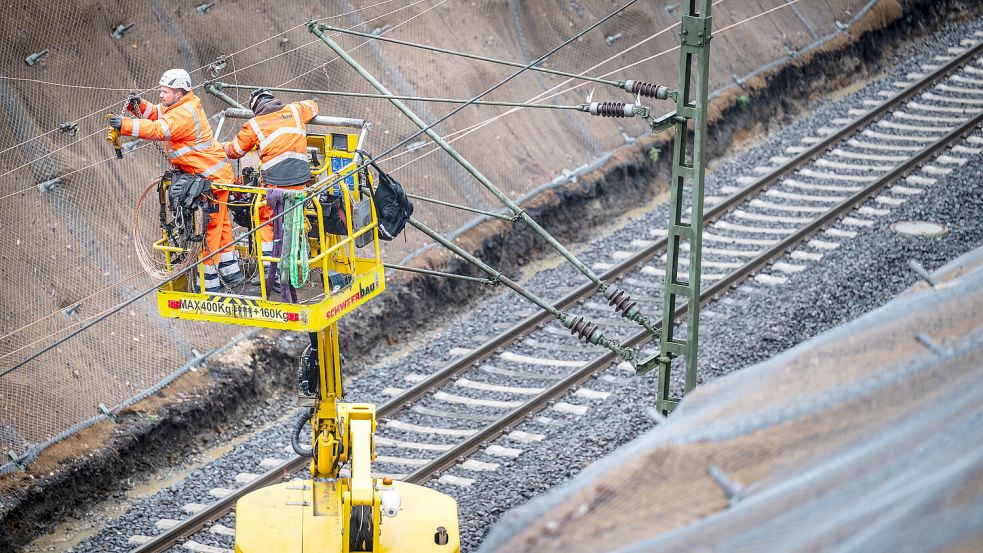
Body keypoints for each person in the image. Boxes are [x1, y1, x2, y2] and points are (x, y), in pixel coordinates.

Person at [110, 68, 244, 292]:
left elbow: (158, 129)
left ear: (179, 92)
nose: (161, 95)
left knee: (210, 230)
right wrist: (140, 106)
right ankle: (232, 274)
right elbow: (159, 113)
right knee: (221, 226)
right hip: (211, 177)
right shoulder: (182, 106)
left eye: (165, 91)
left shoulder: (184, 114)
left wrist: (124, 125)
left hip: (211, 179)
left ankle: (209, 284)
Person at [221, 88, 319, 292]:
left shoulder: (254, 124)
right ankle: (291, 268)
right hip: (301, 180)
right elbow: (313, 105)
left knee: (265, 217)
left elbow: (235, 151)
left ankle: (269, 270)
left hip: (275, 183)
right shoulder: (295, 110)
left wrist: (217, 147)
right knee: (292, 218)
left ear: (255, 107)